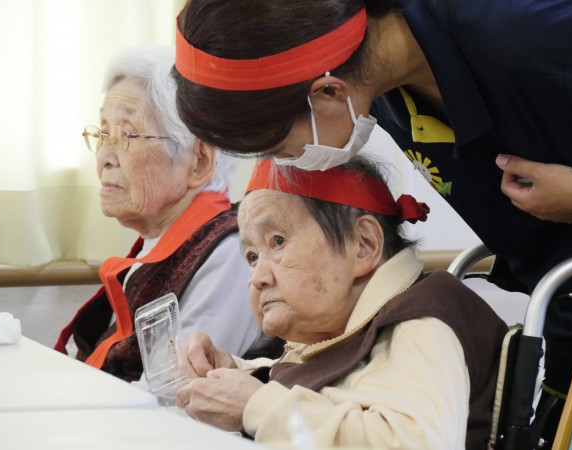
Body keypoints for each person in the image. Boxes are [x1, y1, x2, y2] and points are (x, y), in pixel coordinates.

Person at [171, 1, 572, 444]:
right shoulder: (380, 91)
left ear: (328, 93)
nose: (287, 164)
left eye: (278, 147)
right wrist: (245, 378)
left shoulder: (539, 31)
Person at [174, 156, 508, 450]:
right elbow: (331, 387)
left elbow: (414, 443)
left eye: (278, 241)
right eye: (252, 256)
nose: (257, 277)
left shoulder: (420, 324)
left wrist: (254, 405)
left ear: (363, 244)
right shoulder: (349, 326)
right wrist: (231, 373)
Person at [54, 46, 279, 383]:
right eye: (102, 133)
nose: (104, 157)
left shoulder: (231, 254)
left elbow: (174, 392)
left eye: (126, 135)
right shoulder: (160, 245)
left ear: (199, 161)